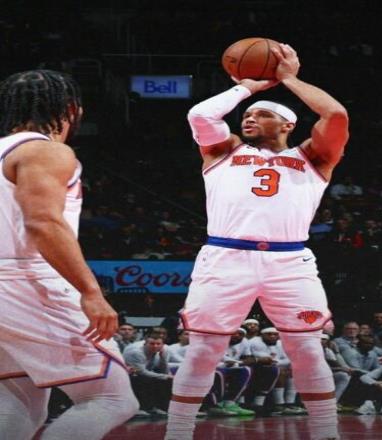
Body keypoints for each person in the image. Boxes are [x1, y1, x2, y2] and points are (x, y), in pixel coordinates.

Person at [166, 43, 349, 440]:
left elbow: (335, 115)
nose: (249, 117)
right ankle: (177, 433)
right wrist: (248, 88)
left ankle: (326, 433)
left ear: (287, 125)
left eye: (262, 113)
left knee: (307, 349)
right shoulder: (225, 150)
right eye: (247, 114)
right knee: (204, 350)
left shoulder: (314, 157)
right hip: (226, 256)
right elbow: (200, 115)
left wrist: (288, 79)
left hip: (289, 261)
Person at [0, 70, 138, 440]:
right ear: (71, 109)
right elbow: (43, 222)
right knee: (112, 398)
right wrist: (90, 291)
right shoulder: (45, 151)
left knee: (20, 401)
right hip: (24, 282)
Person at [123, 333, 173, 416]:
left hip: (141, 373)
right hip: (128, 374)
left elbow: (164, 371)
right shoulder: (136, 353)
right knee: (141, 378)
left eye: (158, 344)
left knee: (167, 380)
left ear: (162, 345)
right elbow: (141, 372)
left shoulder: (161, 352)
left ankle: (160, 407)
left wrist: (163, 358)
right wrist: (165, 376)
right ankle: (141, 407)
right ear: (145, 344)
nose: (155, 346)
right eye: (152, 344)